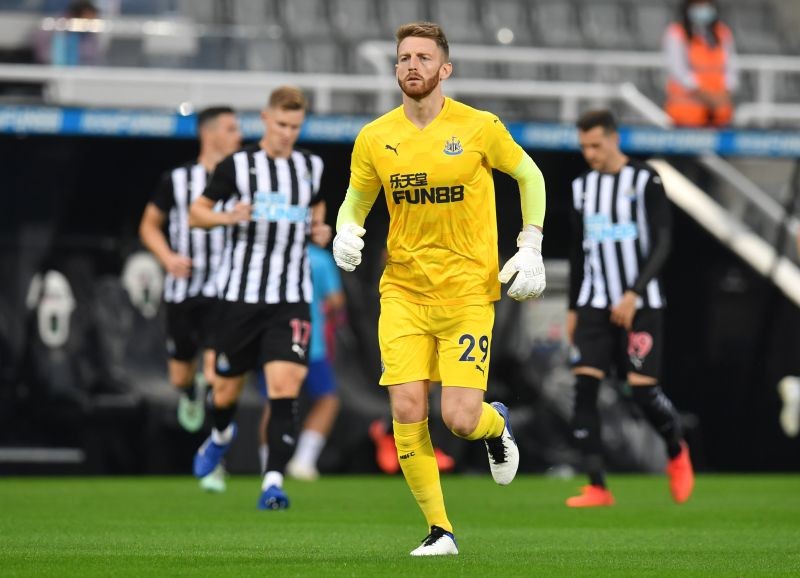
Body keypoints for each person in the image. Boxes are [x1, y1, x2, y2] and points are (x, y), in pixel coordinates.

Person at [332, 21, 547, 556]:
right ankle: (440, 531)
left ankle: (496, 427)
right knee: (407, 408)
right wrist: (346, 231)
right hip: (402, 292)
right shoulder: (375, 136)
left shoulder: (478, 127)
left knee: (459, 419)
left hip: (470, 294)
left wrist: (531, 243)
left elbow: (530, 176)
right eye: (404, 57)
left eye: (424, 58)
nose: (413, 66)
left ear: (444, 69)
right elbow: (357, 199)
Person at [188, 86, 331, 510]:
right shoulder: (238, 166)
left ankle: (273, 481)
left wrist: (319, 231)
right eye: (281, 124)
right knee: (225, 391)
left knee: (285, 387)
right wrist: (226, 216)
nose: (288, 133)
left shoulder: (312, 166)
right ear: (266, 120)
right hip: (240, 297)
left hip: (290, 297)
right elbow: (198, 212)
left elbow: (317, 210)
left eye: (295, 126)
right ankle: (219, 437)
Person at [565, 109, 694, 508]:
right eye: (584, 146)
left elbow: (663, 242)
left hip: (640, 304)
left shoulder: (645, 179)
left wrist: (633, 292)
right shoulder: (581, 187)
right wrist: (573, 308)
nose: (590, 154)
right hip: (594, 302)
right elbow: (577, 251)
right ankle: (598, 486)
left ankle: (675, 448)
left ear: (614, 139)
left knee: (643, 394)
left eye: (596, 145)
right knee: (584, 388)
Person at [138, 106, 241, 439]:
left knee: (216, 371)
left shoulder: (244, 180)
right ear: (209, 135)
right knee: (180, 377)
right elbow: (149, 226)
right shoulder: (178, 180)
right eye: (230, 129)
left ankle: (217, 446)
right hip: (183, 289)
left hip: (223, 290)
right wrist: (167, 257)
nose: (237, 136)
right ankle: (190, 391)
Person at [257, 244, 345, 481]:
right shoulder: (319, 259)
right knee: (326, 399)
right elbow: (336, 301)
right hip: (311, 343)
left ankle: (270, 463)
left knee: (275, 400)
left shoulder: (266, 253)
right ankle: (303, 461)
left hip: (272, 341)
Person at [663, 0, 739, 127]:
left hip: (720, 116)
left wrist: (725, 93)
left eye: (705, 4)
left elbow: (732, 68)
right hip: (686, 118)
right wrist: (705, 95)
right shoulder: (676, 33)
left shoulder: (722, 32)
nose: (702, 8)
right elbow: (678, 71)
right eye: (697, 5)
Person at [34, 1, 103, 66]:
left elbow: (92, 58)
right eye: (88, 18)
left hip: (81, 73)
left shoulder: (90, 35)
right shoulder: (53, 29)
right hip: (49, 70)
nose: (90, 22)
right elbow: (43, 56)